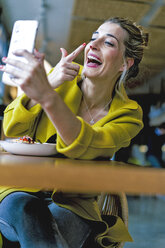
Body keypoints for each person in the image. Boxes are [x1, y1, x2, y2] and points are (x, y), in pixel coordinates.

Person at [0, 17, 148, 248]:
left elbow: (90, 146)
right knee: (27, 208)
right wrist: (50, 83)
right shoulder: (61, 78)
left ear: (124, 64)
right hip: (18, 190)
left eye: (108, 42)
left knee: (49, 225)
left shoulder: (128, 113)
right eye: (93, 38)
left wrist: (47, 96)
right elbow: (12, 127)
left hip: (73, 202)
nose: (93, 45)